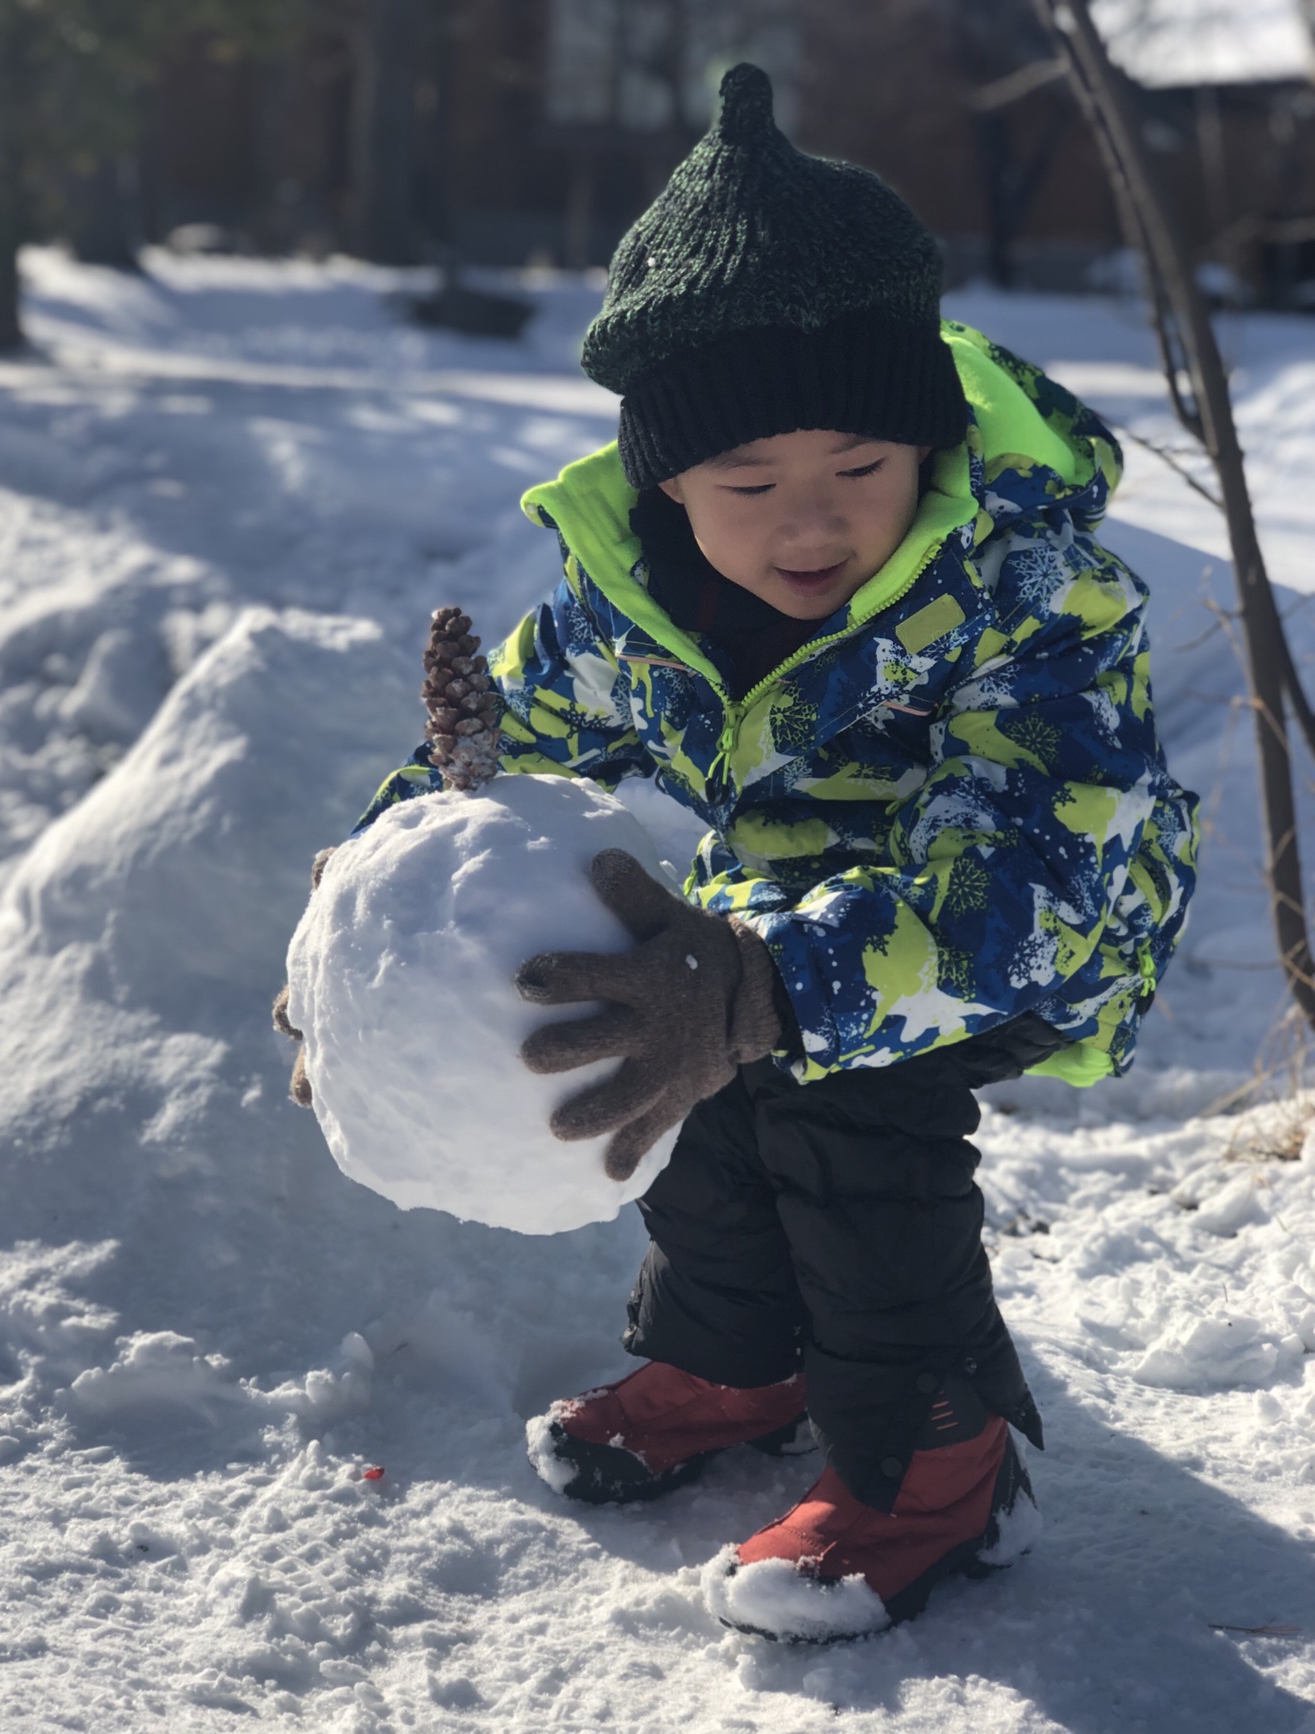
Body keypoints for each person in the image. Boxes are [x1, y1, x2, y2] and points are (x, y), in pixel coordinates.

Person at [351, 64, 1198, 1641]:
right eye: (748, 486)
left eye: (860, 474)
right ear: (668, 477)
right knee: (705, 1078)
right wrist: (360, 930)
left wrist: (763, 985)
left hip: (1028, 930)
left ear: (925, 452)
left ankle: (939, 1461)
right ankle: (738, 1361)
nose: (809, 525)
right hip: (766, 931)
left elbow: (1028, 872)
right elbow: (488, 758)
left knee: (844, 1094)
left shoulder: (1027, 595)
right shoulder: (628, 608)